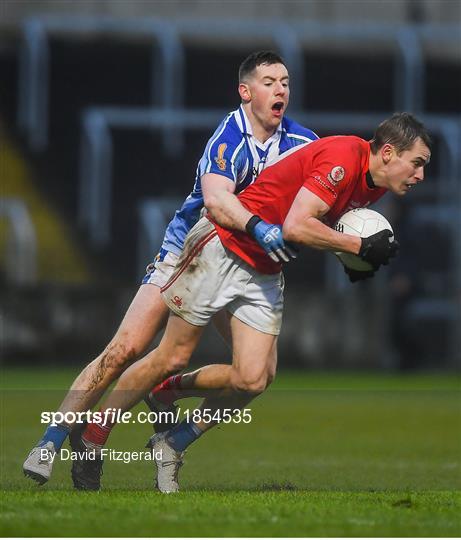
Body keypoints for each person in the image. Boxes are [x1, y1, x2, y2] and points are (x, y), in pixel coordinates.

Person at [63, 112, 431, 493]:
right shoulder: (342, 159)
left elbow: (317, 224)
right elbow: (296, 226)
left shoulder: (376, 187)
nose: (420, 175)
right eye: (417, 163)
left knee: (254, 378)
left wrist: (348, 259)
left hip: (264, 267)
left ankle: (172, 440)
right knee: (171, 355)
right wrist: (357, 246)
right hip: (223, 246)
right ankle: (92, 434)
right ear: (388, 152)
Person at [23, 50, 318, 487]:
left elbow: (326, 186)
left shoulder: (302, 142)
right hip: (188, 254)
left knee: (254, 376)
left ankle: (164, 407)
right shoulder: (228, 139)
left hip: (242, 265)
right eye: (270, 81)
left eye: (286, 82)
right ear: (245, 91)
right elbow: (217, 202)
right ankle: (54, 438)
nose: (281, 90)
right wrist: (263, 228)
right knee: (126, 347)